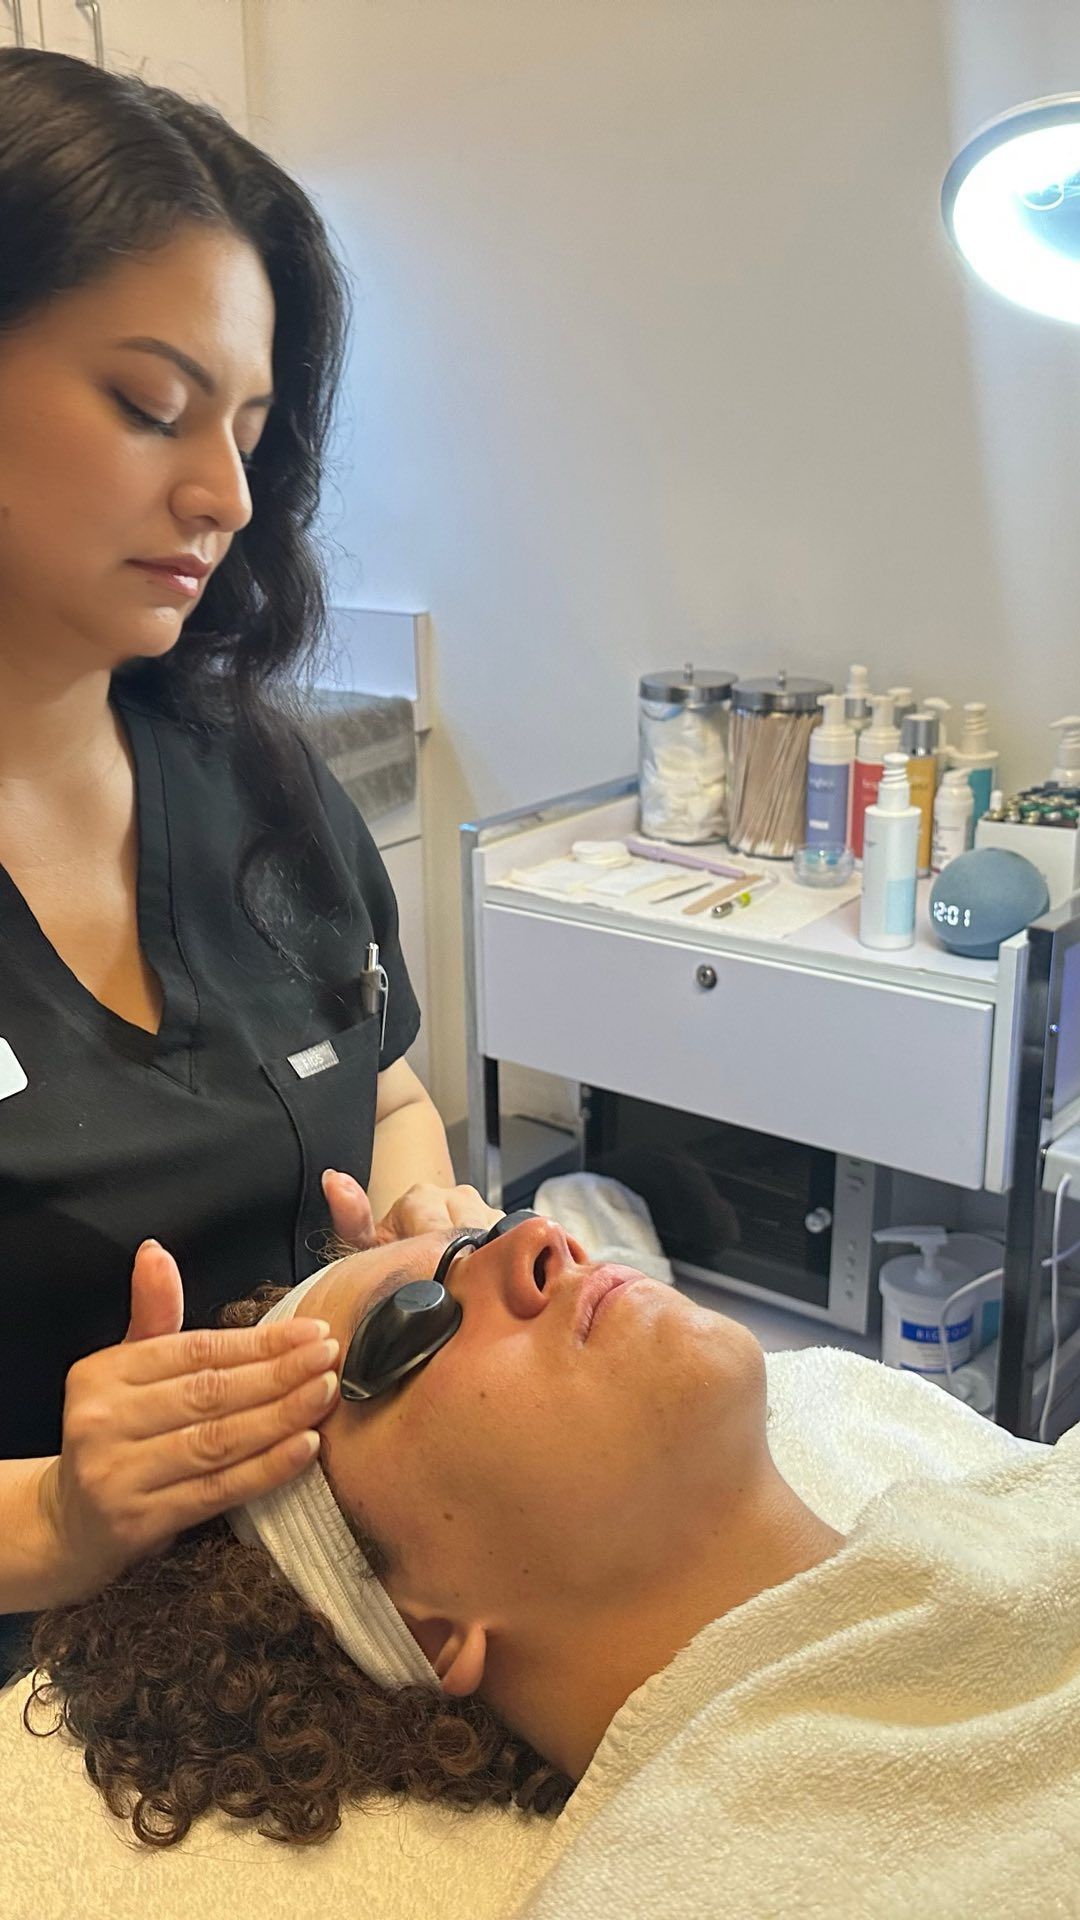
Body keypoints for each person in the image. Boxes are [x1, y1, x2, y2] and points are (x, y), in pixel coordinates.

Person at [0, 47, 496, 1676]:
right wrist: (56, 1526)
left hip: (288, 1636)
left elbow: (389, 1079)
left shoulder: (253, 774)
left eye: (252, 427)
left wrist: (414, 1215)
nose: (221, 493)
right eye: (150, 405)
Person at [20, 1213, 1079, 1915]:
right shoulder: (711, 1882)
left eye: (476, 1233)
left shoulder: (891, 1437)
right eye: (414, 1321)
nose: (536, 1236)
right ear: (428, 1626)